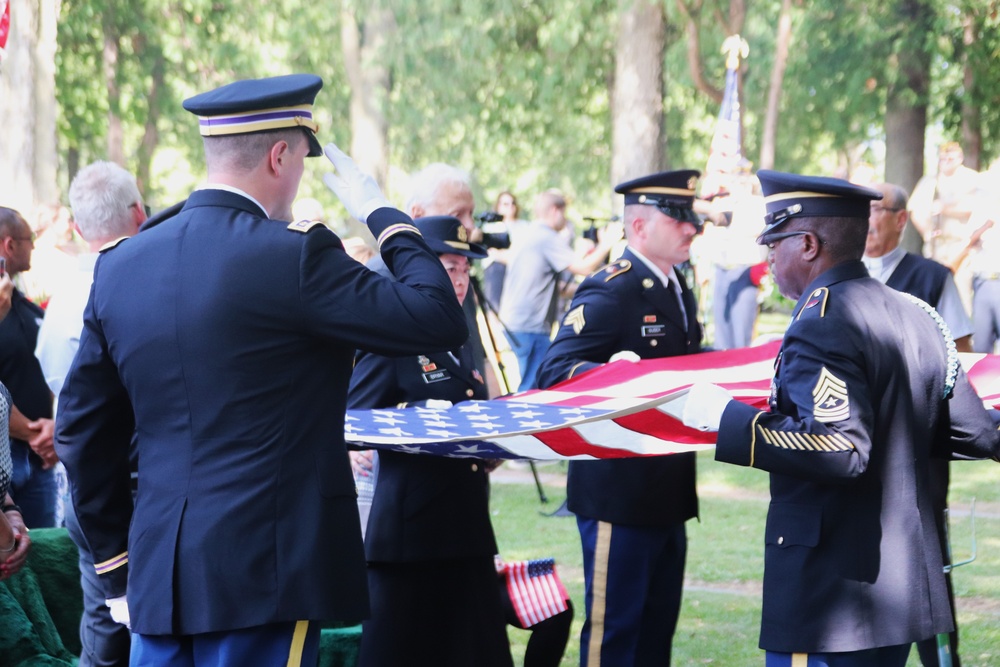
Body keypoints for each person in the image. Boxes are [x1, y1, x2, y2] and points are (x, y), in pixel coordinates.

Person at [53, 73, 469, 667]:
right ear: (279, 156)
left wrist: (116, 566)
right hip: (266, 574)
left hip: (159, 577)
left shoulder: (121, 265)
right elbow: (437, 316)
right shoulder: (295, 255)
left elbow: (81, 432)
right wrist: (385, 215)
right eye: (301, 158)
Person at [682, 170, 1000, 666]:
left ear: (808, 244)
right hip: (899, 587)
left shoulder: (823, 322)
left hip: (831, 597)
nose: (767, 255)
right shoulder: (916, 314)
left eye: (775, 241)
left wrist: (732, 422)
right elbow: (978, 432)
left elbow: (842, 449)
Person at [536, 170, 703, 667]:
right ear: (638, 227)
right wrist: (608, 373)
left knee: (655, 638)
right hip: (619, 492)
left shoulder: (677, 287)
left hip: (667, 489)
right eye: (678, 219)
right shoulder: (613, 289)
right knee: (615, 638)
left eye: (691, 218)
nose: (691, 228)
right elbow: (554, 369)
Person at [348, 215, 511, 667]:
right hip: (410, 536)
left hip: (466, 526)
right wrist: (359, 445)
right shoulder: (395, 336)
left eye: (464, 270)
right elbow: (351, 417)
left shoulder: (459, 335)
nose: (458, 281)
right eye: (448, 269)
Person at [35, 161, 147, 667]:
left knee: (103, 633)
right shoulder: (141, 289)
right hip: (130, 484)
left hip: (82, 488)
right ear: (140, 214)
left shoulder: (59, 305)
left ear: (78, 228)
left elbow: (56, 383)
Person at [865, 181, 973, 666]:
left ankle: (939, 659)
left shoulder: (930, 278)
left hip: (922, 450)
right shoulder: (837, 278)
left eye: (877, 210)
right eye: (859, 209)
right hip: (860, 448)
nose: (866, 220)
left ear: (901, 219)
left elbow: (962, 362)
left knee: (929, 562)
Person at [500, 189, 622, 391]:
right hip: (529, 325)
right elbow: (583, 268)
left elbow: (557, 288)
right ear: (555, 210)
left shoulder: (529, 233)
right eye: (564, 213)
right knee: (535, 386)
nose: (565, 219)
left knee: (535, 381)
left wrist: (595, 292)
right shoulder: (546, 236)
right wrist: (608, 242)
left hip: (516, 321)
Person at [0, 207, 57, 528]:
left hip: (40, 460)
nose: (33, 246)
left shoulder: (25, 306)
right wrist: (36, 433)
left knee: (42, 553)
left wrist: (51, 433)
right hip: (8, 455)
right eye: (28, 239)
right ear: (9, 245)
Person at [908, 142, 981, 309]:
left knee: (960, 297)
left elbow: (979, 209)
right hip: (936, 246)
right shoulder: (929, 181)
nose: (946, 161)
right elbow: (914, 209)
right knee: (932, 294)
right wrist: (926, 232)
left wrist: (946, 209)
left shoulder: (971, 179)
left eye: (950, 158)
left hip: (961, 246)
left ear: (960, 158)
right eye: (942, 159)